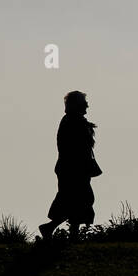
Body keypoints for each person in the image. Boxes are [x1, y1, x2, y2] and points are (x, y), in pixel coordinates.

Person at [38, 91, 101, 241]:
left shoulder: (73, 121)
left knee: (76, 201)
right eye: (83, 102)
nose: (87, 105)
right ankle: (62, 232)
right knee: (76, 201)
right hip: (73, 169)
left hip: (75, 168)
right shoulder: (72, 122)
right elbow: (74, 148)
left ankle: (56, 230)